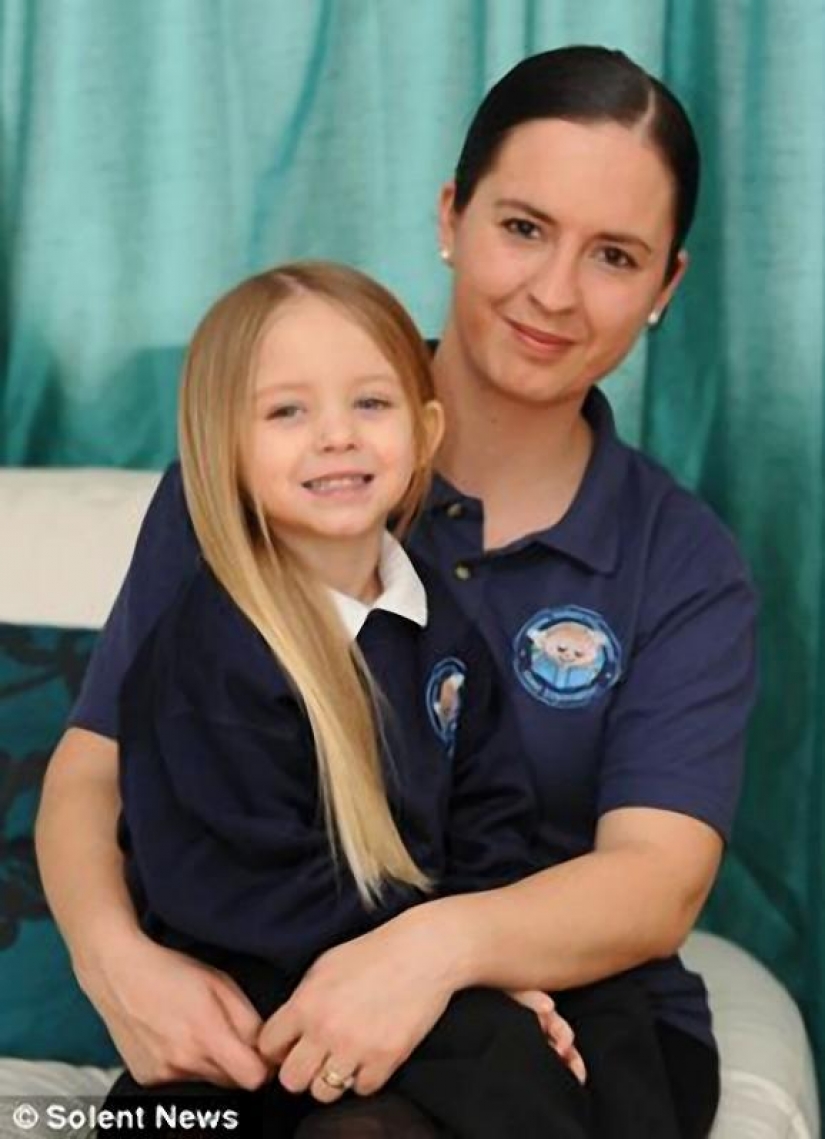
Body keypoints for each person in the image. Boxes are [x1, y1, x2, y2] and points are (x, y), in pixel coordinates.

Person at [36, 45, 757, 1139]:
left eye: (614, 254)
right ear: (452, 218)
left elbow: (656, 881)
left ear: (666, 287)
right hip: (264, 976)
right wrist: (116, 958)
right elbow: (96, 769)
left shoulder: (683, 559)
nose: (554, 291)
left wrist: (435, 953)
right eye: (522, 226)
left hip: (557, 1007)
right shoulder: (258, 474)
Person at [102, 259, 608, 1137]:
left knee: (519, 1056)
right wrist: (436, 980)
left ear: (424, 429)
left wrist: (482, 956)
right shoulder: (209, 650)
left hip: (393, 973)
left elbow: (493, 806)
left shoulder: (438, 620)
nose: (335, 436)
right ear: (223, 447)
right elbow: (240, 884)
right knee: (485, 1053)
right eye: (287, 411)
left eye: (369, 405)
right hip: (241, 1006)